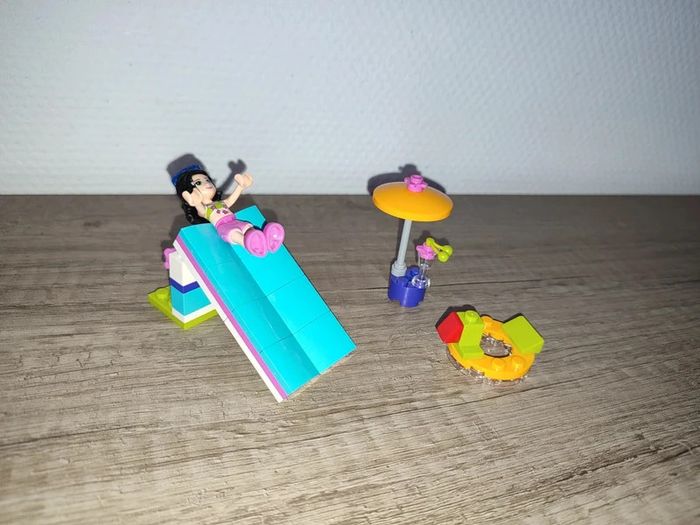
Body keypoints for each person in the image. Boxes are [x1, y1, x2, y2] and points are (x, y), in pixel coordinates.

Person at [172, 164, 284, 257]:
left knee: (247, 227)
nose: (207, 184)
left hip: (235, 221)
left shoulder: (220, 203)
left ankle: (268, 241)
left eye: (207, 180)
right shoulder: (205, 210)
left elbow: (231, 200)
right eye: (198, 183)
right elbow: (200, 210)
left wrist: (241, 186)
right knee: (234, 233)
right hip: (223, 227)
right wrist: (195, 202)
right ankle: (248, 244)